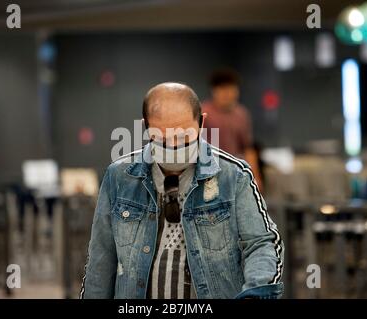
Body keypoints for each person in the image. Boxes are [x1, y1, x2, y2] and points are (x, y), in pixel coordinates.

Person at [80, 82, 284, 299]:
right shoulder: (119, 177)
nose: (174, 147)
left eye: (184, 137)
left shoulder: (233, 176)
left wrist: (256, 291)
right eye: (162, 139)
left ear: (202, 123)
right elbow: (101, 262)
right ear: (146, 127)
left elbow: (262, 243)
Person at [202, 69, 263, 190]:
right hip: (209, 174)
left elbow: (248, 148)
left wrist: (255, 176)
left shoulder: (242, 114)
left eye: (231, 89)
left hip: (235, 172)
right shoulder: (203, 112)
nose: (227, 93)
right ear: (214, 91)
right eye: (223, 89)